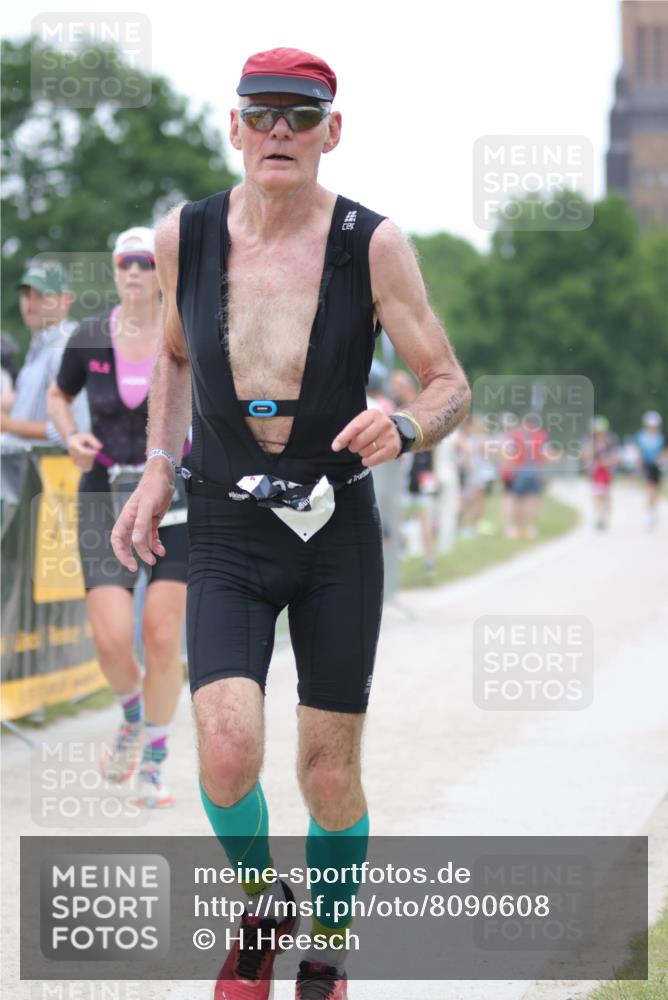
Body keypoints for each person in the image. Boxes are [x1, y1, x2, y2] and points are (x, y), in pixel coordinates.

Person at [111, 47, 470, 999]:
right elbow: (178, 362)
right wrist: (156, 469)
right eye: (262, 112)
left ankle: (330, 942)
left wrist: (404, 424)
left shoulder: (373, 244)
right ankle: (263, 907)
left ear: (330, 133)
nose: (280, 131)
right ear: (233, 126)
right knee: (226, 751)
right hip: (226, 525)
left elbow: (450, 386)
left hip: (335, 534)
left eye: (301, 117)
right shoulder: (184, 237)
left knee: (325, 773)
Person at [47, 227, 190, 808]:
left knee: (160, 636)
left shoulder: (185, 334)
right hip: (103, 492)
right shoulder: (87, 336)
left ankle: (153, 760)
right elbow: (60, 396)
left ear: (162, 273)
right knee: (109, 639)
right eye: (124, 263)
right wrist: (69, 434)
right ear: (114, 272)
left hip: (174, 498)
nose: (133, 271)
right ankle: (131, 716)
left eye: (145, 262)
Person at [0, 261, 90, 445]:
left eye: (41, 294)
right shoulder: (41, 344)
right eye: (26, 294)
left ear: (66, 299)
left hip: (54, 471)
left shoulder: (66, 347)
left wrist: (7, 425)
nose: (30, 302)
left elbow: (73, 429)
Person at [586, 416, 618, 531]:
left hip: (607, 472)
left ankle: (604, 517)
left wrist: (607, 461)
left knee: (606, 496)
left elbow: (616, 456)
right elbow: (586, 455)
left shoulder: (611, 440)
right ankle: (599, 518)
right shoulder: (591, 441)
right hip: (596, 473)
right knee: (597, 496)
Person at [635, 410, 666, 530]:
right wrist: (638, 464)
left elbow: (665, 450)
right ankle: (649, 514)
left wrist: (662, 458)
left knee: (656, 492)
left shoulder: (661, 436)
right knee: (649, 490)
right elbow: (639, 451)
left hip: (657, 466)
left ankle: (653, 511)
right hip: (646, 465)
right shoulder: (641, 436)